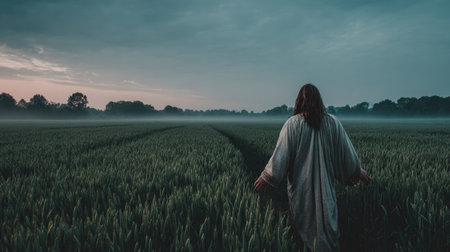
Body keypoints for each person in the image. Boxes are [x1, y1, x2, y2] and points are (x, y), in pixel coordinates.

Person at [254, 84, 371, 252]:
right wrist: (358, 172)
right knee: (327, 229)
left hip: (301, 192)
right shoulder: (333, 123)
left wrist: (265, 177)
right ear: (319, 100)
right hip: (327, 192)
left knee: (303, 231)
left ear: (299, 101)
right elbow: (347, 155)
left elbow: (280, 156)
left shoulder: (292, 124)